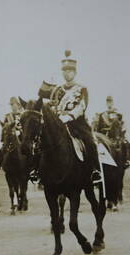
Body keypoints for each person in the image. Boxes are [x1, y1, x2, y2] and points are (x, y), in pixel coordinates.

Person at [38, 50, 101, 183]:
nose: (67, 73)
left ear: (75, 72)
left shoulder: (81, 89)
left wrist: (69, 117)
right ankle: (37, 171)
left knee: (90, 141)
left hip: (77, 124)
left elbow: (82, 105)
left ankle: (95, 170)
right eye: (64, 71)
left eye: (70, 71)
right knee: (42, 141)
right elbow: (51, 102)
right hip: (58, 124)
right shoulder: (57, 89)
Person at [95, 96, 130, 164]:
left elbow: (121, 125)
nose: (109, 103)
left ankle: (128, 158)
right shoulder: (102, 115)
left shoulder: (118, 114)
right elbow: (99, 127)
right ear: (106, 103)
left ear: (113, 103)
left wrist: (122, 131)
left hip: (116, 135)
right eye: (108, 102)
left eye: (110, 102)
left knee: (126, 143)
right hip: (105, 135)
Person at [0, 96, 23, 176]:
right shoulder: (8, 116)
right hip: (11, 138)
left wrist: (20, 131)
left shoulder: (23, 115)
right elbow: (4, 127)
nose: (12, 106)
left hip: (22, 137)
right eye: (11, 105)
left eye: (14, 104)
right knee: (2, 149)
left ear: (18, 105)